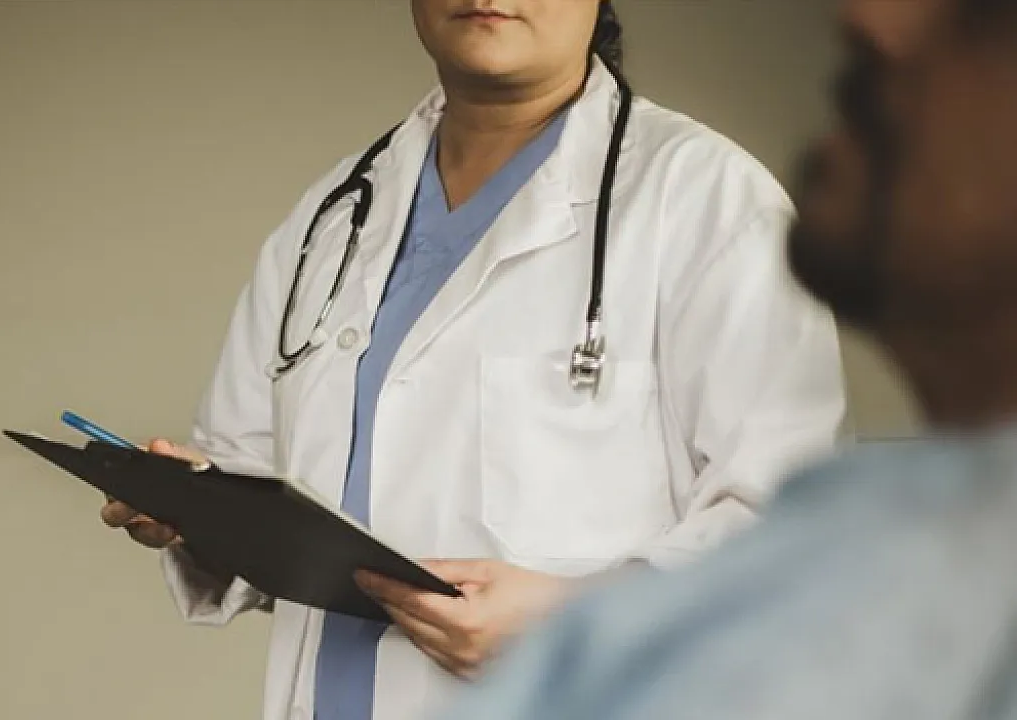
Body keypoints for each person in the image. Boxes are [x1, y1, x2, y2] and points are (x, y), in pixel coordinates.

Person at [101, 2, 846, 719]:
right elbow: (253, 472)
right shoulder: (332, 216)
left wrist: (574, 617)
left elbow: (794, 524)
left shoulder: (708, 200)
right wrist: (193, 510)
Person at [433, 0, 1017, 718]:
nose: (865, 18)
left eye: (983, 13)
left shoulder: (900, 596)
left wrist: (564, 615)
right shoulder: (893, 529)